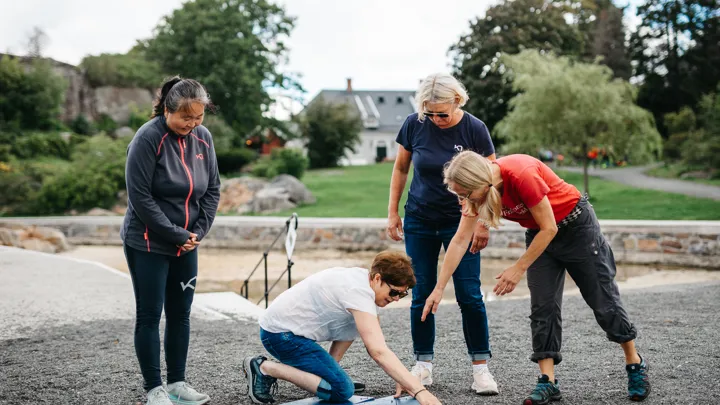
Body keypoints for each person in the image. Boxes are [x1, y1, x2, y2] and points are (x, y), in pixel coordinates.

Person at [427, 151, 650, 404]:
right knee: (543, 307)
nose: (463, 200)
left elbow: (550, 227)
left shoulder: (521, 174)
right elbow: (459, 241)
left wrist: (517, 269)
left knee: (604, 301)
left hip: (576, 229)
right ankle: (548, 381)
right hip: (539, 234)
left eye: (465, 194)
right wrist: (439, 287)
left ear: (480, 181)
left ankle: (635, 364)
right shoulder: (478, 192)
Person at [386, 73, 499, 394]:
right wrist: (393, 211)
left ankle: (481, 369)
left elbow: (493, 179)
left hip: (461, 220)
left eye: (441, 113)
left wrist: (483, 223)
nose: (435, 119)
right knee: (420, 292)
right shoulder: (413, 124)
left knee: (469, 294)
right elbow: (401, 169)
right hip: (419, 219)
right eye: (429, 112)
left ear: (457, 102)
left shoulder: (475, 129)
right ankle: (423, 366)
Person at [120, 76, 221, 405]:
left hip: (187, 242)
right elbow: (140, 197)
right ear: (167, 110)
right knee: (150, 314)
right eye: (186, 117)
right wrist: (177, 234)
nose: (192, 124)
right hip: (148, 240)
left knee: (181, 314)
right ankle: (154, 389)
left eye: (199, 117)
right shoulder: (148, 138)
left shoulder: (203, 138)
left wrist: (198, 232)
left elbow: (213, 190)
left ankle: (177, 383)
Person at [243, 251, 442, 405]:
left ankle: (329, 380)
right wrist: (418, 390)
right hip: (280, 335)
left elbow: (347, 332)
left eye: (403, 295)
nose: (396, 298)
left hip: (287, 332)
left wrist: (329, 374)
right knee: (342, 391)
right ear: (378, 278)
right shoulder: (358, 292)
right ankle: (264, 368)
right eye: (394, 292)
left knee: (334, 383)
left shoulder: (364, 284)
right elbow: (378, 351)